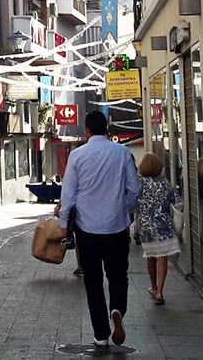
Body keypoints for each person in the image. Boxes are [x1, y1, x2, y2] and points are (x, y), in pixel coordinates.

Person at [58, 111, 141, 348]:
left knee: (92, 282)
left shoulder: (77, 156)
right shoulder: (122, 152)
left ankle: (101, 335)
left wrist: (65, 227)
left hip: (87, 230)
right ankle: (117, 309)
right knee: (118, 275)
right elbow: (134, 188)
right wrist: (124, 208)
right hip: (116, 227)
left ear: (86, 130)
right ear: (107, 128)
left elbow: (68, 195)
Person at [136, 153, 180, 305]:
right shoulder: (165, 183)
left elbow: (134, 202)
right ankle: (160, 291)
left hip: (146, 225)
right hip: (164, 224)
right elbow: (177, 202)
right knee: (163, 258)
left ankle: (153, 287)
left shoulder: (139, 183)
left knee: (151, 256)